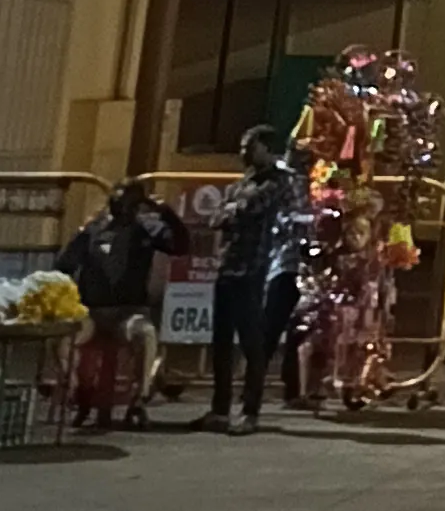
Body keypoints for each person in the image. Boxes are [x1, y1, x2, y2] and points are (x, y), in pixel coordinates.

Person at [199, 127, 302, 434]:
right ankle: (219, 410)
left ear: (267, 149)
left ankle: (250, 411)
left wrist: (232, 209)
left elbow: (249, 209)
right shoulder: (243, 182)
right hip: (227, 267)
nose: (244, 152)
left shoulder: (277, 181)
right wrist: (230, 210)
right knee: (220, 341)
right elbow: (216, 217)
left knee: (251, 342)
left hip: (252, 269)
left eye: (250, 146)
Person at [61, 182, 188, 429]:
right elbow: (64, 264)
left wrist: (166, 213)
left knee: (146, 333)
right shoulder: (93, 228)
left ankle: (138, 401)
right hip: (91, 313)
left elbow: (180, 246)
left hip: (128, 314)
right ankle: (79, 392)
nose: (124, 209)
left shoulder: (147, 227)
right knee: (64, 335)